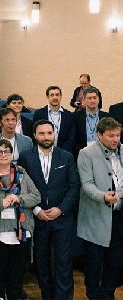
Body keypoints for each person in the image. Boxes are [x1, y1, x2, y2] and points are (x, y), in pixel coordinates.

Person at [18, 120, 80, 300]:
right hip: (37, 219)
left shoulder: (66, 156)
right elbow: (22, 187)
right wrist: (36, 209)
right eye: (42, 133)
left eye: (49, 133)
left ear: (54, 134)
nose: (46, 137)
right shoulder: (25, 157)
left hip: (62, 219)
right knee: (41, 264)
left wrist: (61, 209)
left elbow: (74, 186)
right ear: (35, 136)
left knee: (63, 265)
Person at [0, 139, 40, 300]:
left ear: (12, 154)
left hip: (20, 231)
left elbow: (36, 196)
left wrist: (19, 199)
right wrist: (0, 204)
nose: (3, 155)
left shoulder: (21, 173)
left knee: (16, 276)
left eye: (7, 151)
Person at [77, 117, 123, 300]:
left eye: (118, 135)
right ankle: (93, 294)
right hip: (96, 215)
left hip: (119, 214)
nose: (115, 139)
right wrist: (102, 196)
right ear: (99, 135)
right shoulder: (86, 153)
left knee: (115, 260)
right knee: (95, 262)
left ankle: (108, 294)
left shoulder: (122, 150)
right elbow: (86, 184)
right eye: (111, 136)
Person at [33, 86, 75, 153]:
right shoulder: (39, 114)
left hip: (63, 152)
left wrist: (61, 152)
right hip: (42, 151)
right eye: (52, 95)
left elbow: (71, 137)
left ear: (61, 96)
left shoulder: (69, 115)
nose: (55, 97)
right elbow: (35, 134)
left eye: (57, 95)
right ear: (47, 97)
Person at [73, 87, 111, 160]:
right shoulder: (75, 117)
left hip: (103, 155)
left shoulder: (107, 117)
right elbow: (73, 139)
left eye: (95, 98)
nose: (92, 101)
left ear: (98, 99)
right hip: (82, 154)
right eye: (89, 98)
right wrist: (81, 153)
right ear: (83, 100)